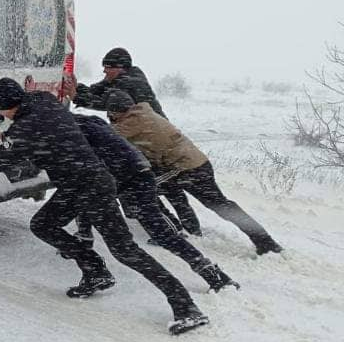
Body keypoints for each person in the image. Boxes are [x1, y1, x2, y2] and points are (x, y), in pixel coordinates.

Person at [0, 78, 209, 335]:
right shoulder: (42, 99)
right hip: (84, 183)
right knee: (43, 224)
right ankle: (95, 270)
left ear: (6, 107)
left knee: (126, 250)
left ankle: (185, 306)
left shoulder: (24, 131)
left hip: (89, 187)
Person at [68, 114, 238, 291]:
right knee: (163, 234)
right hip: (141, 172)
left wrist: (84, 231)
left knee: (139, 238)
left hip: (125, 179)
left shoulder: (69, 131)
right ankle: (214, 275)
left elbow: (84, 179)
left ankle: (90, 259)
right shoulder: (91, 120)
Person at [104, 90, 284, 255]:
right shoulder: (144, 112)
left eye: (110, 113)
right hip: (197, 163)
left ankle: (173, 230)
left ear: (115, 111)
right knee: (220, 205)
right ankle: (263, 240)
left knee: (138, 189)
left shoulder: (131, 122)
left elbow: (104, 136)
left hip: (184, 168)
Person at [65, 47, 199, 233]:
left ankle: (175, 229)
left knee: (155, 185)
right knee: (158, 185)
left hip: (151, 139)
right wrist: (78, 88)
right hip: (141, 137)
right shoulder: (119, 78)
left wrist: (77, 96)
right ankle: (183, 227)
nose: (104, 71)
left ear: (120, 67)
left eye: (107, 67)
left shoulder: (129, 83)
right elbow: (96, 91)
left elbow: (103, 102)